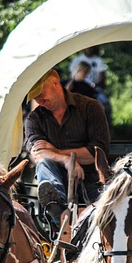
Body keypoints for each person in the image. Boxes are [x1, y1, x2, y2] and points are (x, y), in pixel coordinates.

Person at [23, 69, 110, 225]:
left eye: (40, 93)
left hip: (91, 181)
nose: (39, 99)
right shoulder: (34, 119)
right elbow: (37, 154)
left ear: (55, 83)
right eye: (35, 97)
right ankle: (55, 206)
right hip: (54, 179)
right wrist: (65, 160)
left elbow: (96, 152)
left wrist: (55, 151)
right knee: (43, 164)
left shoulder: (90, 107)